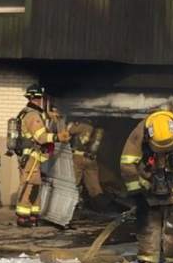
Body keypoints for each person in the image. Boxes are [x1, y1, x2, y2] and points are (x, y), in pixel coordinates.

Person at [120, 108, 173, 263]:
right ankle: (147, 260)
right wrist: (137, 191)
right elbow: (127, 163)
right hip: (149, 188)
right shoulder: (140, 132)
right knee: (148, 225)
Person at [14, 84, 69, 227]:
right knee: (29, 186)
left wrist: (51, 115)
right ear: (32, 98)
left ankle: (33, 215)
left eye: (40, 98)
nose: (40, 101)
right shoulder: (33, 115)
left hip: (31, 157)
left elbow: (40, 119)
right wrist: (58, 137)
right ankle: (23, 217)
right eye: (38, 98)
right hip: (31, 158)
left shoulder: (27, 112)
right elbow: (41, 137)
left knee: (35, 186)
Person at [67, 120, 115, 214]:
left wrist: (71, 123)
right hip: (92, 160)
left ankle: (70, 208)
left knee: (74, 182)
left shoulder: (83, 126)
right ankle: (103, 208)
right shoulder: (100, 131)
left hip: (78, 157)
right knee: (94, 186)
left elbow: (69, 130)